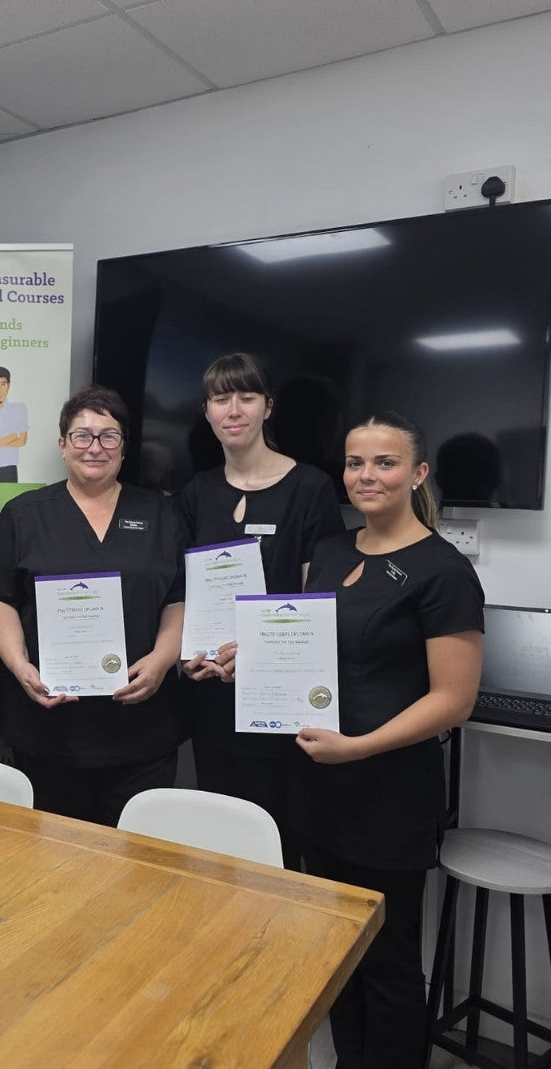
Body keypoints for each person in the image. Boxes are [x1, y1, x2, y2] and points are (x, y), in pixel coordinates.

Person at [290, 410, 483, 1069]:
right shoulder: (334, 549)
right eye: (354, 462)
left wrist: (360, 746)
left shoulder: (444, 571)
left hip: (389, 797)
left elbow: (453, 700)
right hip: (321, 790)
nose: (365, 476)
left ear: (417, 473)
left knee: (389, 966)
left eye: (384, 462)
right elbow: (309, 649)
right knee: (336, 955)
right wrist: (250, 654)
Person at [0, 385, 185, 825]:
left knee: (137, 861)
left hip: (140, 727)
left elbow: (179, 599)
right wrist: (20, 667)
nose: (95, 447)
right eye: (82, 435)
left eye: (109, 436)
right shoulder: (23, 515)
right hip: (50, 726)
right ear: (62, 444)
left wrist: (163, 660)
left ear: (124, 447)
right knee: (57, 860)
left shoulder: (161, 514)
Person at [174, 353, 343, 867]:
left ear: (268, 407)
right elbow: (182, 594)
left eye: (246, 397)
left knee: (280, 846)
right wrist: (187, 654)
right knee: (226, 843)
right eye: (221, 398)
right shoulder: (195, 492)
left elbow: (320, 601)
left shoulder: (310, 488)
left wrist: (260, 653)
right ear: (206, 411)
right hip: (213, 697)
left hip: (280, 699)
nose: (233, 410)